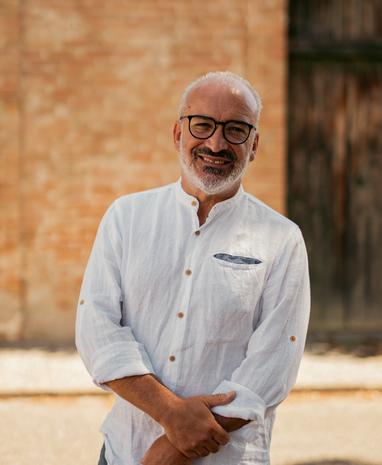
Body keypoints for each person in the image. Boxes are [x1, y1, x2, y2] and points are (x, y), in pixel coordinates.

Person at [75, 71, 310, 465]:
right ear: (177, 134)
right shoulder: (126, 217)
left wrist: (175, 446)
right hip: (125, 453)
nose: (216, 143)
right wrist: (170, 414)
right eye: (202, 125)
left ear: (254, 146)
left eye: (236, 130)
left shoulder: (282, 240)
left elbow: (272, 364)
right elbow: (96, 329)